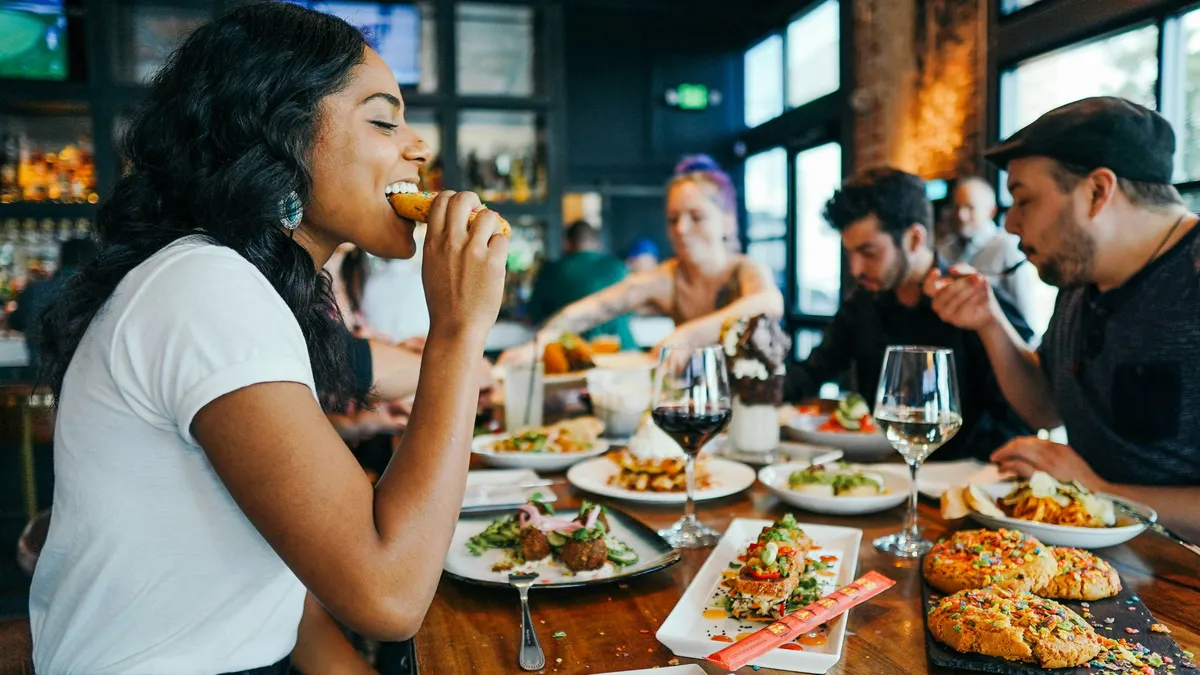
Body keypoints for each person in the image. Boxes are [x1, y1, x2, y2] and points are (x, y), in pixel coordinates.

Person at [28, 5, 507, 673]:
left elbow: (279, 595)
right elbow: (390, 595)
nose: (417, 146)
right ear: (281, 137)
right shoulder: (206, 287)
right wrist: (459, 331)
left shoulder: (235, 281)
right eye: (382, 119)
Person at [926, 96, 1200, 541]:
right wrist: (989, 322)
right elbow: (1045, 405)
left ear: (1097, 191)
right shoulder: (1080, 279)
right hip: (1098, 559)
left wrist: (1099, 491)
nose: (1011, 224)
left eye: (1024, 200)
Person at [784, 167, 1033, 462]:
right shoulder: (863, 303)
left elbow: (1022, 415)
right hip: (881, 475)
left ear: (915, 238)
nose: (856, 270)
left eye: (869, 253)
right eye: (850, 254)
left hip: (959, 483)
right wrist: (754, 387)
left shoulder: (974, 302)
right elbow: (812, 372)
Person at [499, 155, 783, 362]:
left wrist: (685, 336)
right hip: (699, 407)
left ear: (728, 222)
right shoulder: (668, 278)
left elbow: (769, 303)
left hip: (755, 411)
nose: (681, 229)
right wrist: (536, 346)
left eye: (696, 217)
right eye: (673, 219)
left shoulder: (745, 269)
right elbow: (591, 310)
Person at [939, 176, 1043, 334]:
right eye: (957, 207)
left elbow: (1026, 314)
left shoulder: (1008, 247)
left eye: (970, 207)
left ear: (991, 211)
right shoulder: (945, 249)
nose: (961, 215)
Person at [527, 219, 633, 347]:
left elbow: (533, 314)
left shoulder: (552, 270)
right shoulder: (619, 267)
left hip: (573, 353)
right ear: (597, 242)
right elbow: (632, 310)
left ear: (566, 243)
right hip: (623, 350)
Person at [8, 238, 97, 366]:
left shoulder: (34, 290)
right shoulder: (98, 292)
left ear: (61, 259)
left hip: (39, 375)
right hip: (85, 374)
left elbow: (15, 323)